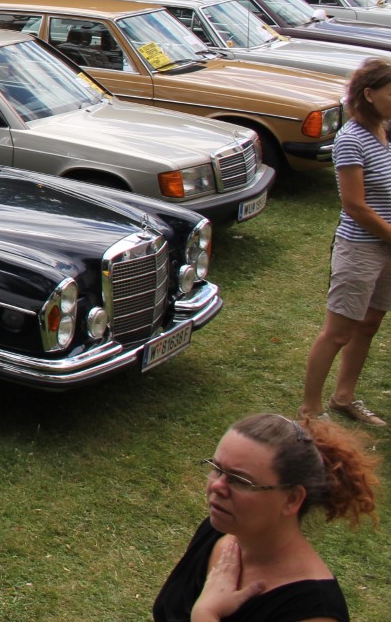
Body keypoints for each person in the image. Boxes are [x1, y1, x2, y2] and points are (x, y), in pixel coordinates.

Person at [153, 413, 377, 622]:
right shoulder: (220, 531)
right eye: (216, 468)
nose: (217, 486)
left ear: (291, 499)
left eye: (240, 480)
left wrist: (205, 613)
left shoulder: (313, 611)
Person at [300, 58, 391, 427]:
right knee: (338, 332)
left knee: (369, 324)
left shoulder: (387, 130)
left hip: (387, 247)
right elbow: (354, 206)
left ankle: (344, 397)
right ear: (369, 95)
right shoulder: (351, 139)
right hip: (361, 248)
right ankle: (310, 409)